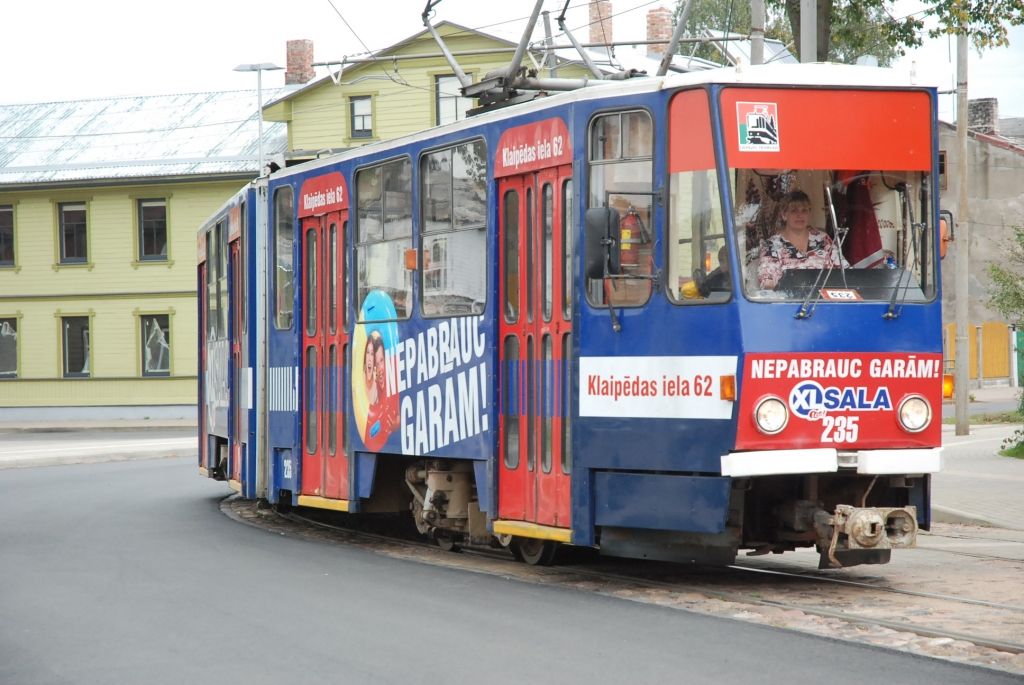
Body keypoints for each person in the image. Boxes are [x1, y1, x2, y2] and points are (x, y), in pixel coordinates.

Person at [756, 190, 848, 290]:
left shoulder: (823, 239)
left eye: (804, 210)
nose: (799, 215)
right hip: (792, 303)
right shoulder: (771, 245)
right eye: (794, 210)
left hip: (824, 301)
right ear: (784, 215)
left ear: (809, 214)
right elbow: (766, 282)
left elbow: (845, 272)